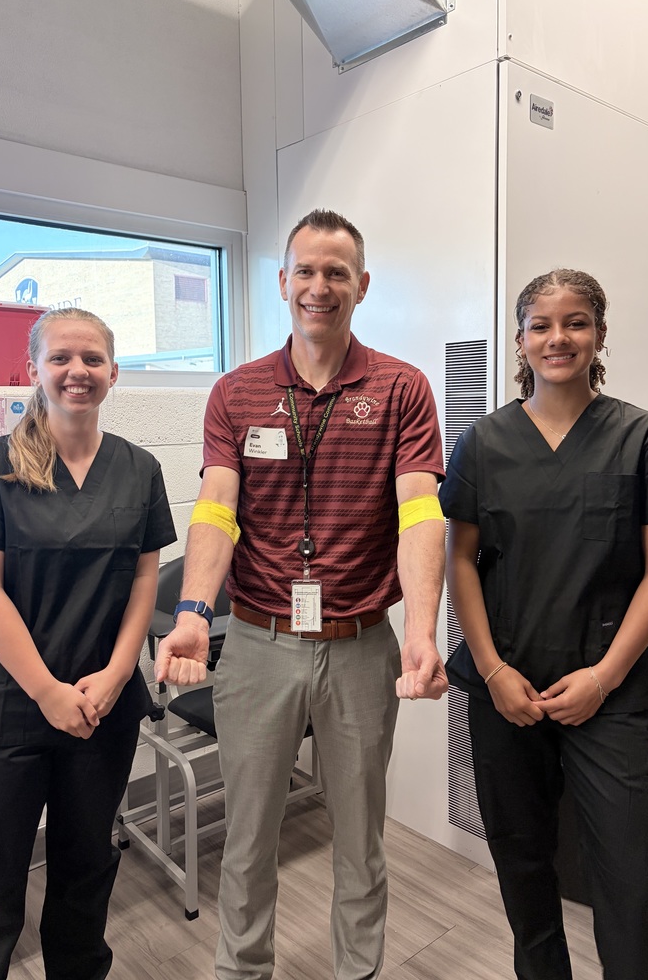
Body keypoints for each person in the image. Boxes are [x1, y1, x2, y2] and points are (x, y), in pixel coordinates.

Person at [155, 208, 448, 980]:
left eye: (337, 273)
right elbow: (218, 505)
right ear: (283, 282)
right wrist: (192, 612)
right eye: (307, 272)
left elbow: (420, 509)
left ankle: (357, 972)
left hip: (360, 646)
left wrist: (422, 629)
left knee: (361, 838)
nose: (320, 287)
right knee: (248, 838)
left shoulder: (400, 389)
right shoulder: (237, 392)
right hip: (255, 644)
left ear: (362, 286)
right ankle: (241, 971)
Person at [440, 269, 648, 980]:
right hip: (506, 691)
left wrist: (604, 678)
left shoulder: (647, 439)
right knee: (523, 860)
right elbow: (460, 562)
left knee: (634, 879)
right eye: (541, 325)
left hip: (609, 692)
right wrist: (492, 670)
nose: (558, 338)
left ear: (599, 334)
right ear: (520, 340)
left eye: (575, 322)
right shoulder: (484, 442)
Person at [0, 307, 176, 980]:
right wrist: (45, 691)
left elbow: (142, 583)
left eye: (93, 359)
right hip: (3, 713)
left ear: (114, 372)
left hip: (100, 712)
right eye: (62, 359)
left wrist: (116, 672)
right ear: (34, 369)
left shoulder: (139, 468)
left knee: (85, 877)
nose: (79, 372)